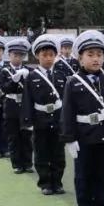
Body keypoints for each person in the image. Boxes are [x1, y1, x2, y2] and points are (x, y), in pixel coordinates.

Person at [61, 30, 104, 206]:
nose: (96, 59)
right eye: (90, 55)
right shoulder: (73, 82)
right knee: (84, 176)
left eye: (99, 55)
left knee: (103, 175)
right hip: (84, 137)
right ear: (80, 58)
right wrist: (70, 139)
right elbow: (67, 111)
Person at [21, 35, 68, 195]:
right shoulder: (32, 77)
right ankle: (45, 183)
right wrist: (28, 121)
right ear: (37, 56)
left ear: (55, 56)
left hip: (57, 118)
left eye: (51, 55)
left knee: (58, 153)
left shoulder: (61, 76)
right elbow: (27, 100)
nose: (48, 58)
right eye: (44, 55)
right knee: (41, 152)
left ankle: (57, 181)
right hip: (40, 119)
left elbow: (66, 100)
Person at [2, 38, 34, 174]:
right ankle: (16, 164)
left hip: (25, 107)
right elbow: (4, 89)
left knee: (26, 136)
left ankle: (27, 163)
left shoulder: (28, 70)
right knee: (14, 137)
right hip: (11, 106)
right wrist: (14, 80)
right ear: (9, 55)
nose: (18, 58)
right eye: (15, 55)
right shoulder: (5, 71)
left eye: (21, 55)